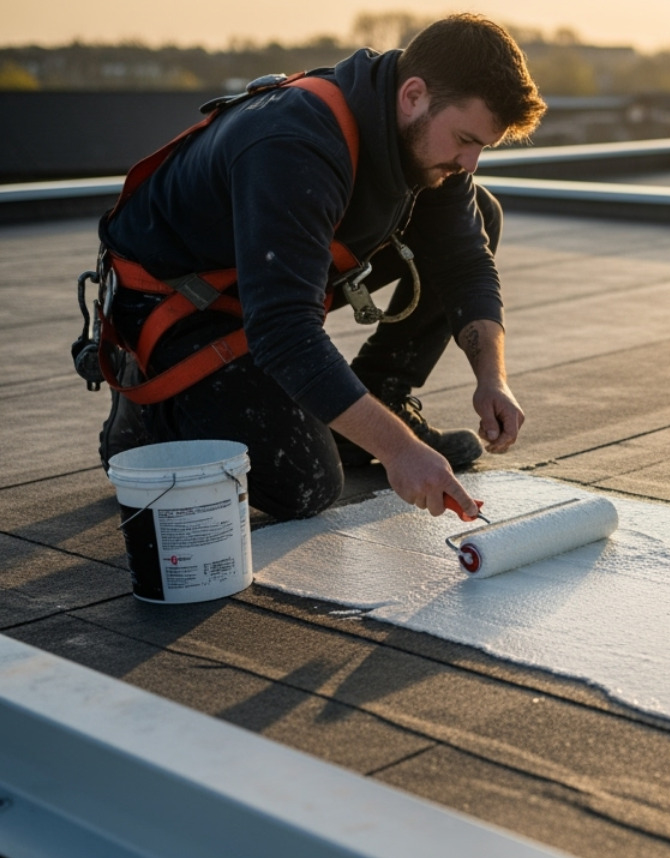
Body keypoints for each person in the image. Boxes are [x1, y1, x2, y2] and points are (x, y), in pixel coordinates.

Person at [94, 14, 546, 520]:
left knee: (478, 214)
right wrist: (399, 451)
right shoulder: (294, 142)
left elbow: (465, 265)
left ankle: (382, 394)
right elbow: (284, 331)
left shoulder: (421, 135)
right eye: (466, 139)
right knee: (304, 487)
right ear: (414, 96)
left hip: (261, 287)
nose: (470, 162)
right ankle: (150, 417)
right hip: (179, 307)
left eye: (481, 146)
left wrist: (492, 378)